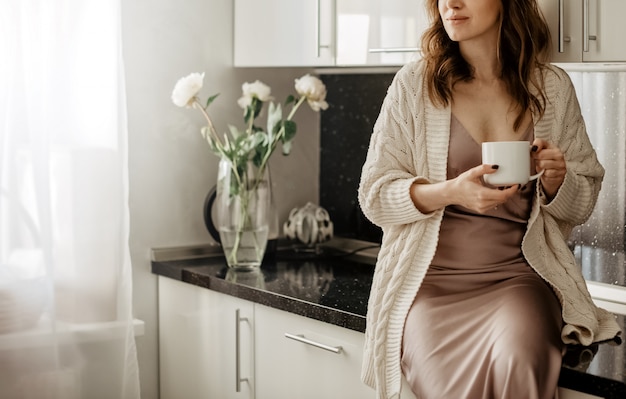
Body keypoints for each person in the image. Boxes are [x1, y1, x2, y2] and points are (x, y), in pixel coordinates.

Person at [357, 0, 622, 398]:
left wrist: (557, 181)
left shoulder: (552, 87)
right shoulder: (415, 85)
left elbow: (582, 202)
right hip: (430, 286)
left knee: (519, 356)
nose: (451, 3)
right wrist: (450, 192)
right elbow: (374, 195)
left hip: (518, 280)